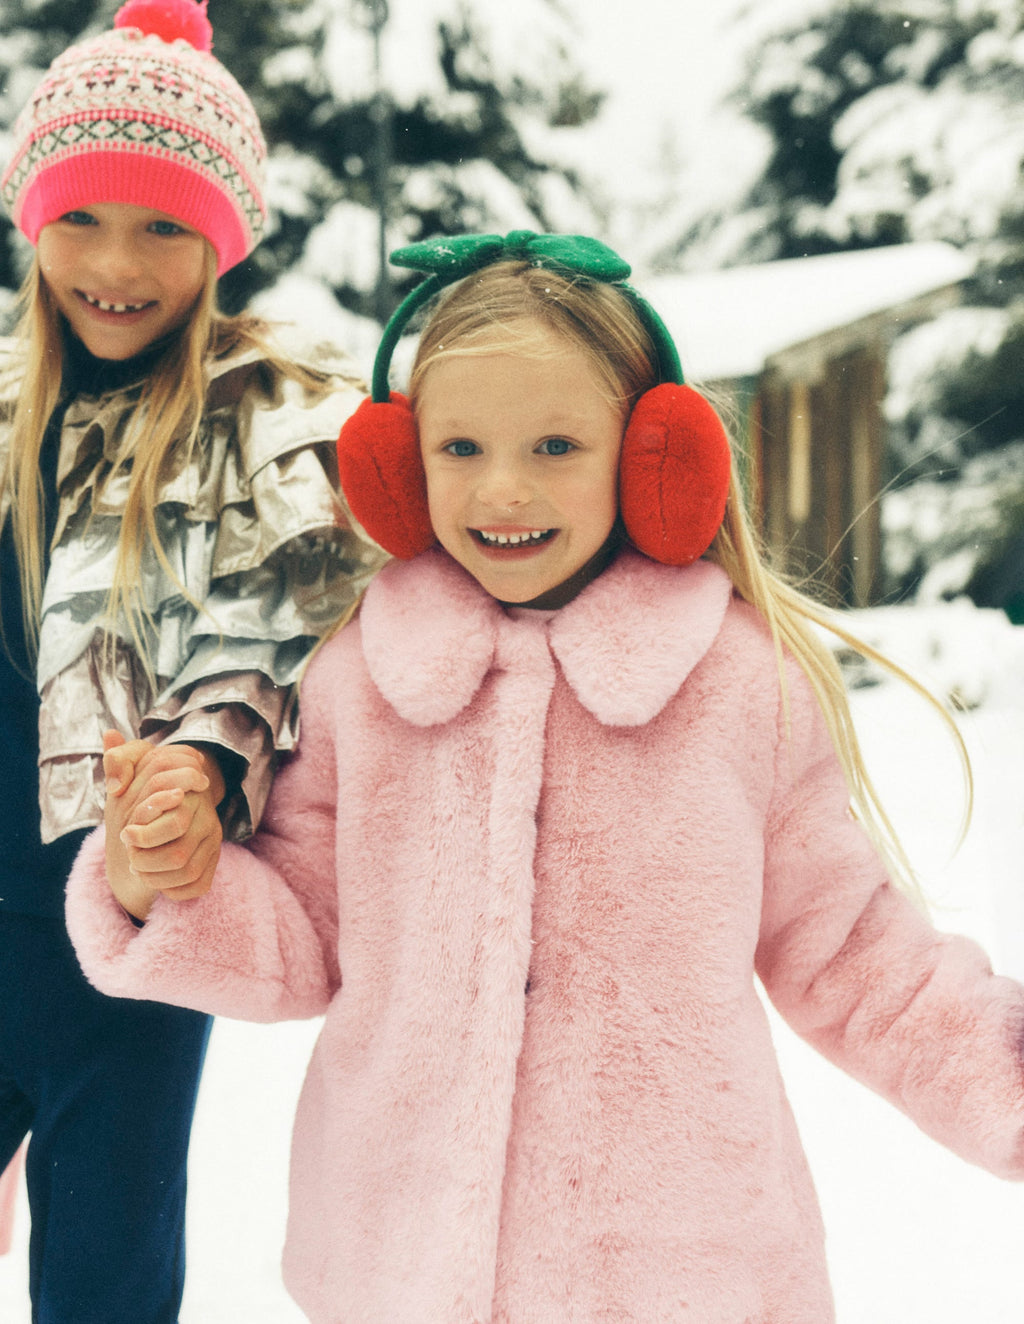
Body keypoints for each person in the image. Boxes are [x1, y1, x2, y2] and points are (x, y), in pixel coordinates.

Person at [67, 231, 1024, 1324]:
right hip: (400, 1271)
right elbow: (307, 934)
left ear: (654, 453)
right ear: (398, 464)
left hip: (679, 1274)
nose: (502, 486)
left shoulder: (733, 689)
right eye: (460, 446)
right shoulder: (363, 681)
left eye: (557, 444)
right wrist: (165, 881)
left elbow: (855, 955)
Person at [0, 1, 384, 1319]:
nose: (117, 261)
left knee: (105, 1277)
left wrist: (194, 779)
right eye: (82, 218)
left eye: (164, 223)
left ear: (221, 242)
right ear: (28, 220)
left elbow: (267, 641)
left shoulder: (263, 426)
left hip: (123, 943)